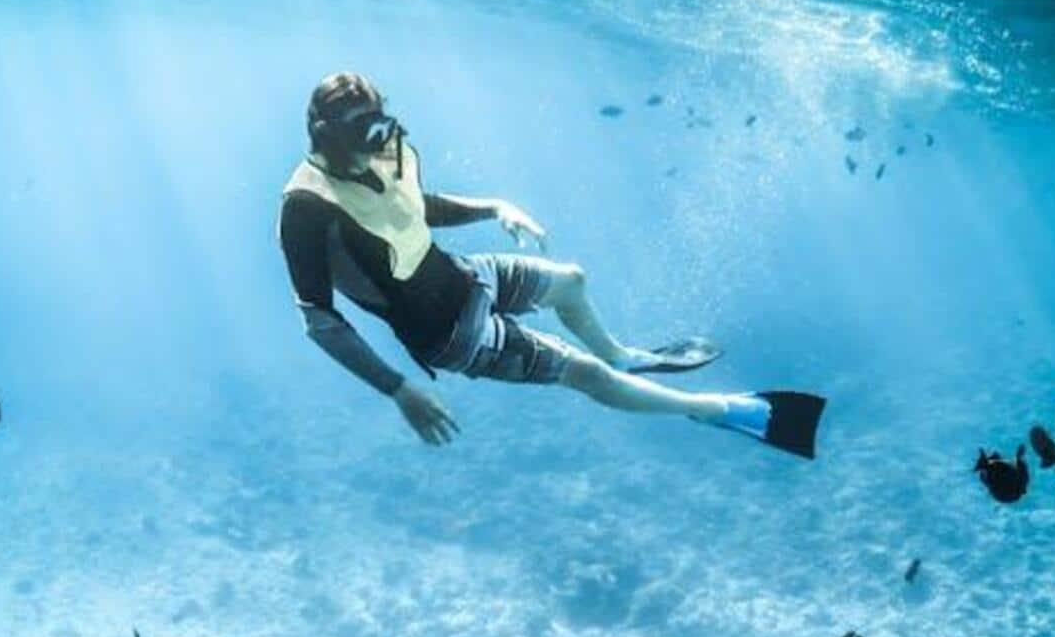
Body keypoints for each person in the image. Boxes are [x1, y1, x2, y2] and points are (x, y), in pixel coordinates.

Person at [277, 72, 823, 456]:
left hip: (463, 274)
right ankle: (713, 410)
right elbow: (319, 321)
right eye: (361, 131)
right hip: (447, 333)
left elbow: (411, 207)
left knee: (571, 281)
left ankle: (625, 357)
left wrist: (495, 206)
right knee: (584, 374)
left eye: (379, 125)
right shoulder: (305, 208)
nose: (377, 142)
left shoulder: (374, 152)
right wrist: (398, 390)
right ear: (325, 135)